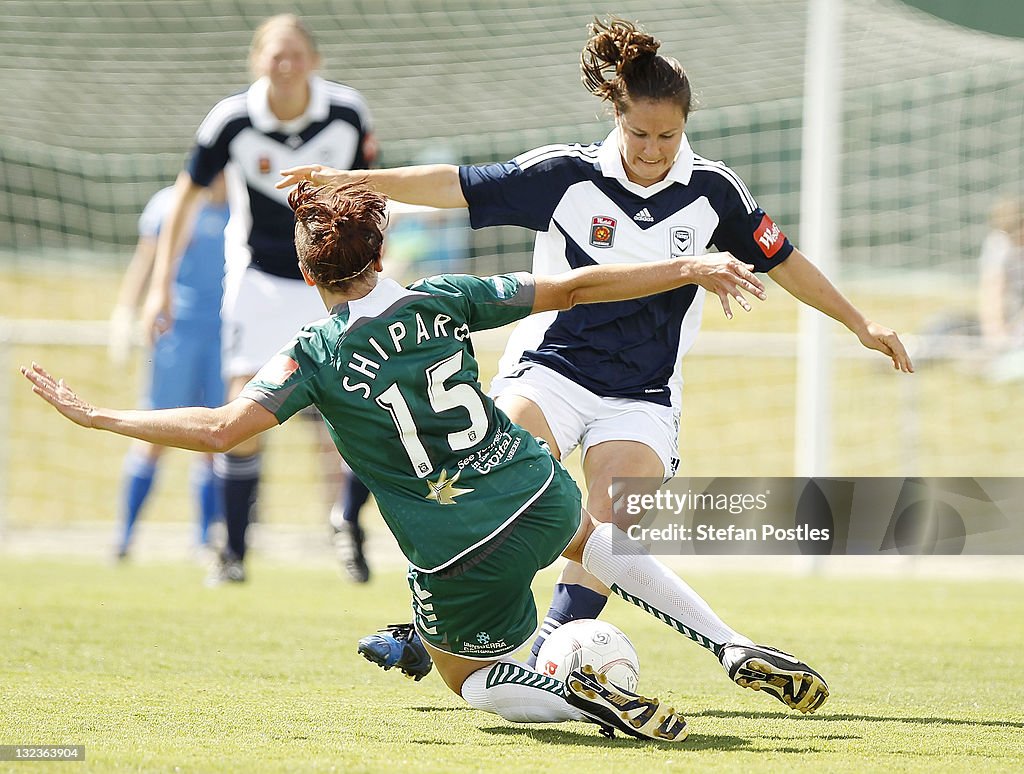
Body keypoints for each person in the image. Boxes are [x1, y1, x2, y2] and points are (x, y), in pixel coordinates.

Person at [279, 16, 913, 704]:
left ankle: (552, 650)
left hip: (643, 393)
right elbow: (452, 184)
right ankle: (435, 632)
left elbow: (784, 261)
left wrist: (860, 321)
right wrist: (352, 178)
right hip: (549, 372)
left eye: (667, 136)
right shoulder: (564, 176)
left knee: (610, 525)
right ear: (617, 117)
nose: (652, 150)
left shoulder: (715, 191)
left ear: (684, 126)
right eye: (640, 134)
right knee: (498, 495)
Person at [26, 179, 797, 741]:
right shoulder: (444, 296)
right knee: (592, 538)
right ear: (382, 251)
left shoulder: (315, 355)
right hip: (535, 489)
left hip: (454, 552)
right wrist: (688, 266)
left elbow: (227, 429)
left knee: (471, 678)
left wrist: (102, 417)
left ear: (307, 275)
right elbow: (578, 285)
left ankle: (574, 694)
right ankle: (728, 639)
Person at [140, 14, 378, 585]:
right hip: (260, 284)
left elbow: (371, 196)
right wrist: (159, 286)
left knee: (355, 415)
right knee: (240, 414)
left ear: (314, 61)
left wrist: (372, 275)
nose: (286, 63)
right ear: (257, 61)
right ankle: (234, 550)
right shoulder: (231, 120)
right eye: (275, 54)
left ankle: (347, 525)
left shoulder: (347, 113)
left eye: (296, 52)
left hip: (333, 285)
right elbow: (186, 195)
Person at [108, 174, 229, 558]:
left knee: (215, 437)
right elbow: (145, 261)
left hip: (225, 338)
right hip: (175, 336)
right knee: (154, 435)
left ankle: (204, 540)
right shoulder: (169, 204)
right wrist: (125, 310)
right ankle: (124, 537)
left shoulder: (241, 209)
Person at [977, 195, 1024, 382]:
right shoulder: (999, 243)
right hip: (1011, 313)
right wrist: (994, 333)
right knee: (947, 324)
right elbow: (992, 289)